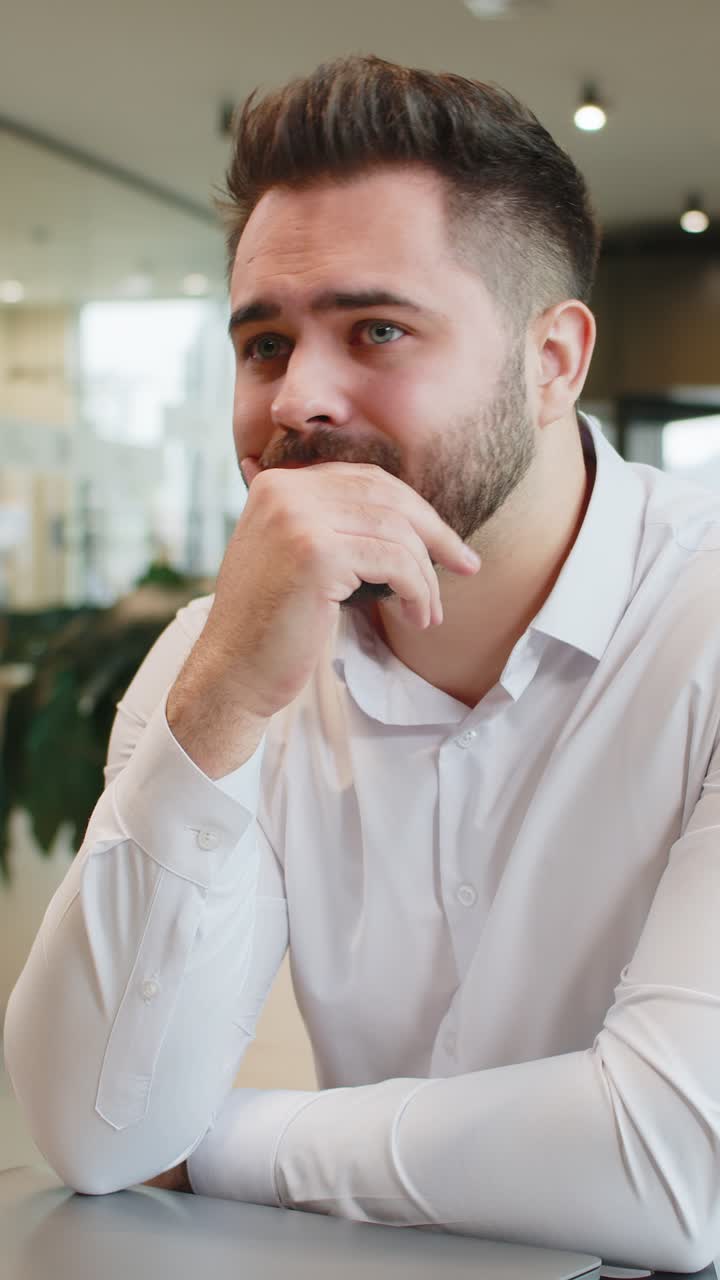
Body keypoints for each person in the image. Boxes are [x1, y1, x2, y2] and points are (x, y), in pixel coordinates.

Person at [5, 54, 720, 1274]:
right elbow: (93, 1130)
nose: (298, 398)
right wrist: (221, 700)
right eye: (264, 342)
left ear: (553, 362)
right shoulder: (221, 654)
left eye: (376, 329)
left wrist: (218, 1144)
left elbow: (676, 1161)